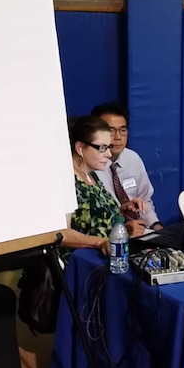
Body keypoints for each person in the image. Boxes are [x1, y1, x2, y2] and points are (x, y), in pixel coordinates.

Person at [67, 115, 146, 261]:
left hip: (109, 256)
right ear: (80, 148)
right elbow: (62, 234)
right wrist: (100, 242)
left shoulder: (92, 175)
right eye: (102, 148)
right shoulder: (66, 181)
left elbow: (96, 219)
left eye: (108, 147)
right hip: (82, 263)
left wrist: (121, 211)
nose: (109, 154)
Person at [91, 102, 164, 230]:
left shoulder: (133, 158)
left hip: (140, 230)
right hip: (109, 234)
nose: (118, 137)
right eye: (111, 131)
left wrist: (155, 225)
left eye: (123, 130)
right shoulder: (91, 166)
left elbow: (145, 199)